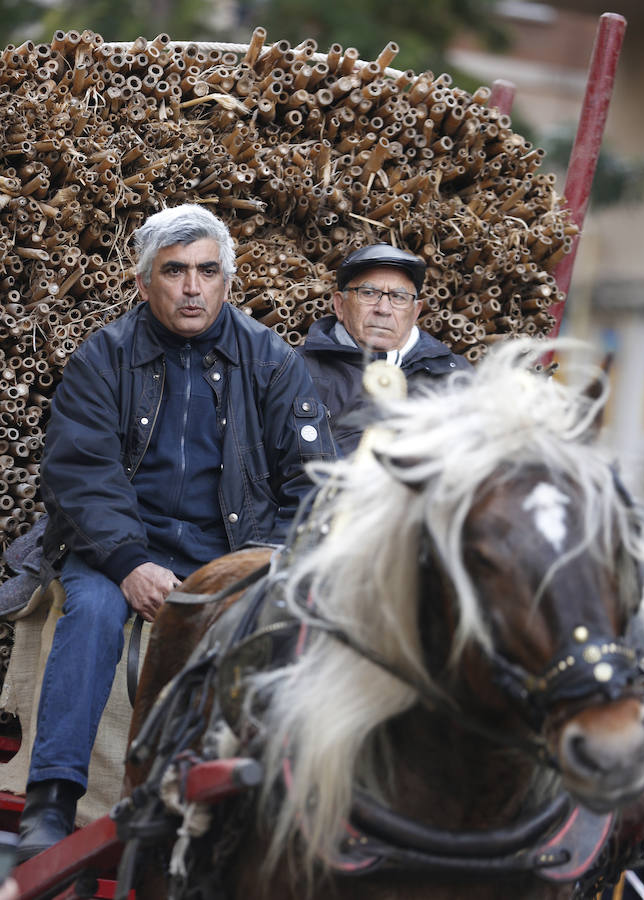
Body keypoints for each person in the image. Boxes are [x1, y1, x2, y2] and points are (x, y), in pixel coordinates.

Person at [16, 204, 334, 862]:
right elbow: (79, 475)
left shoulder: (271, 361)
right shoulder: (103, 358)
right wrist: (130, 562)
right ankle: (51, 803)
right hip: (113, 554)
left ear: (227, 280)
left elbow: (312, 482)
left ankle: (243, 815)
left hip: (232, 558)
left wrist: (259, 565)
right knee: (95, 614)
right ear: (143, 283)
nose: (192, 287)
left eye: (207, 272)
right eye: (175, 271)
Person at [297, 243, 471, 455]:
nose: (383, 309)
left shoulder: (455, 376)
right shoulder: (299, 372)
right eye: (369, 293)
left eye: (398, 297)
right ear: (340, 305)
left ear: (416, 313)